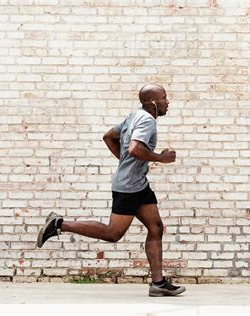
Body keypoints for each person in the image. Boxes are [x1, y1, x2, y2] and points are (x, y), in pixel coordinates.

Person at [36, 84, 186, 297]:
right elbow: (135, 149)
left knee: (156, 227)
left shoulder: (134, 116)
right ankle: (59, 224)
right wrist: (160, 158)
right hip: (129, 188)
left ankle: (158, 283)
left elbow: (109, 136)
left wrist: (125, 163)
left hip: (138, 184)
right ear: (153, 102)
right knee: (113, 233)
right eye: (164, 98)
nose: (167, 102)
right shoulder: (146, 121)